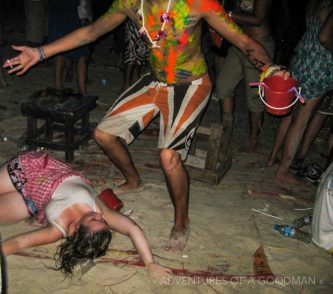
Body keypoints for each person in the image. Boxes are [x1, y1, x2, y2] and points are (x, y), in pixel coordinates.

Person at [3, 0, 288, 251]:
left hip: (192, 84)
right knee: (104, 134)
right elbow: (90, 32)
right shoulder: (130, 2)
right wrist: (40, 53)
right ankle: (134, 180)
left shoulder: (197, 3)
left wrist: (271, 69)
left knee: (168, 156)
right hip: (155, 80)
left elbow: (245, 42)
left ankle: (181, 220)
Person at [0, 151, 170, 279]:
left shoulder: (56, 231)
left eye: (94, 219)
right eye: (102, 220)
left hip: (31, 201)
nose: (98, 214)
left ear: (76, 228)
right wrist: (150, 263)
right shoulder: (99, 209)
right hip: (30, 170)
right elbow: (132, 229)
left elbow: (19, 242)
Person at [267, 0, 333, 184]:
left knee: (289, 111)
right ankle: (283, 170)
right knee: (301, 120)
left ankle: (273, 157)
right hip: (320, 63)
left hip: (303, 55)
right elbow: (325, 37)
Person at [215, 0, 275, 152]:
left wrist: (227, 14)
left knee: (254, 97)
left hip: (259, 46)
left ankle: (254, 140)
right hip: (239, 44)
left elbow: (258, 19)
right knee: (223, 86)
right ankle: (226, 132)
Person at [48, 0, 91, 94]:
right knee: (80, 51)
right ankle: (81, 91)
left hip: (69, 10)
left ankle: (59, 85)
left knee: (62, 46)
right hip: (69, 10)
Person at [121, 19, 149, 92]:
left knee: (141, 49)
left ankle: (136, 79)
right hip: (133, 17)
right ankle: (126, 83)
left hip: (145, 19)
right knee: (131, 47)